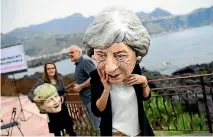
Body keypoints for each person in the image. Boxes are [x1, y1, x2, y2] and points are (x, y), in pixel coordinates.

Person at [83, 7, 154, 136]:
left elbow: (146, 96)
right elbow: (98, 111)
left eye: (120, 56)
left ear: (136, 54)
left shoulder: (135, 69)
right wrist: (106, 89)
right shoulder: (96, 75)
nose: (110, 68)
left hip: (140, 131)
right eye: (101, 55)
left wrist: (144, 82)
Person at [28, 61, 76, 136]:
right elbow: (30, 93)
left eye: (53, 68)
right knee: (57, 134)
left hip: (62, 108)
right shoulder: (41, 81)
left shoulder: (59, 79)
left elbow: (65, 92)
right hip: (51, 112)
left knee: (71, 131)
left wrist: (62, 97)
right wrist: (34, 98)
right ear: (46, 71)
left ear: (55, 69)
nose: (51, 70)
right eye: (48, 69)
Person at [68, 45, 100, 132]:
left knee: (99, 127)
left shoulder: (85, 61)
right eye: (69, 53)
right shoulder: (78, 64)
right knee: (98, 127)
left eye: (72, 52)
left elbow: (96, 77)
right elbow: (86, 77)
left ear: (79, 52)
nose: (70, 54)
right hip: (87, 100)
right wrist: (78, 84)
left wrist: (81, 86)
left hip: (92, 99)